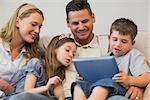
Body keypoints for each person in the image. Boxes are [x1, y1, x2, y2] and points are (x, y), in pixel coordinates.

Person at [9, 0, 148, 100]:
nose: (81, 27)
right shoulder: (56, 41)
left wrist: (136, 84)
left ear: (93, 18)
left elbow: (135, 65)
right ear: (67, 23)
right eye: (75, 23)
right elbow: (25, 38)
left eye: (85, 21)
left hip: (104, 93)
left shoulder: (110, 44)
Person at [72, 18, 150, 100]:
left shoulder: (134, 55)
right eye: (115, 39)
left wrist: (129, 80)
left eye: (123, 41)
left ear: (132, 43)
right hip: (101, 91)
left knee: (103, 84)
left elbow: (147, 77)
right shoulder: (105, 58)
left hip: (119, 89)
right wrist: (84, 76)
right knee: (79, 85)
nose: (118, 44)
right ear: (109, 38)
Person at [10, 34, 76, 100]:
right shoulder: (37, 63)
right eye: (67, 50)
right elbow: (27, 91)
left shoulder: (60, 73)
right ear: (55, 49)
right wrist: (46, 87)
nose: (71, 55)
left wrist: (61, 96)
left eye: (73, 54)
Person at [0, 2, 45, 99]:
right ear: (17, 22)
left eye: (40, 27)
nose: (37, 31)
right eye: (33, 24)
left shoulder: (33, 57)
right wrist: (4, 85)